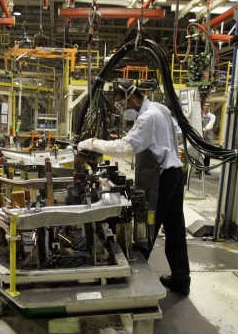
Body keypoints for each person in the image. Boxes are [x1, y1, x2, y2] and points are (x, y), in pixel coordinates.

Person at [78, 85, 190, 295]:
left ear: (134, 98)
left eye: (123, 103)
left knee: (146, 228)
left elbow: (125, 147)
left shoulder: (147, 118)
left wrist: (92, 143)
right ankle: (181, 278)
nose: (122, 108)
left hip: (160, 179)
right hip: (174, 173)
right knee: (175, 229)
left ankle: (134, 285)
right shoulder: (160, 109)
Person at [202, 104, 215, 174]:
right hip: (200, 137)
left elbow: (211, 124)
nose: (206, 107)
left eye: (208, 106)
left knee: (207, 154)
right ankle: (199, 168)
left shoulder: (212, 116)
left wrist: (205, 129)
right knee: (200, 152)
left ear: (209, 108)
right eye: (205, 106)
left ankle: (206, 169)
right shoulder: (201, 116)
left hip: (208, 138)